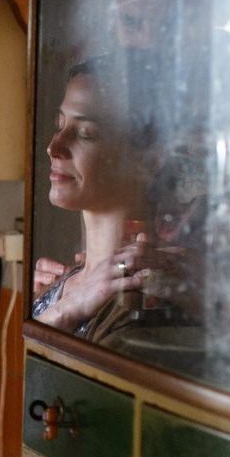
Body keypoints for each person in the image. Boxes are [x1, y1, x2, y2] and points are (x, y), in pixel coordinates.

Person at [31, 56, 202, 343]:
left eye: (86, 134)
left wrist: (61, 314)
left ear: (150, 159)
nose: (54, 147)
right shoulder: (61, 285)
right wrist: (57, 305)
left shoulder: (142, 301)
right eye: (59, 125)